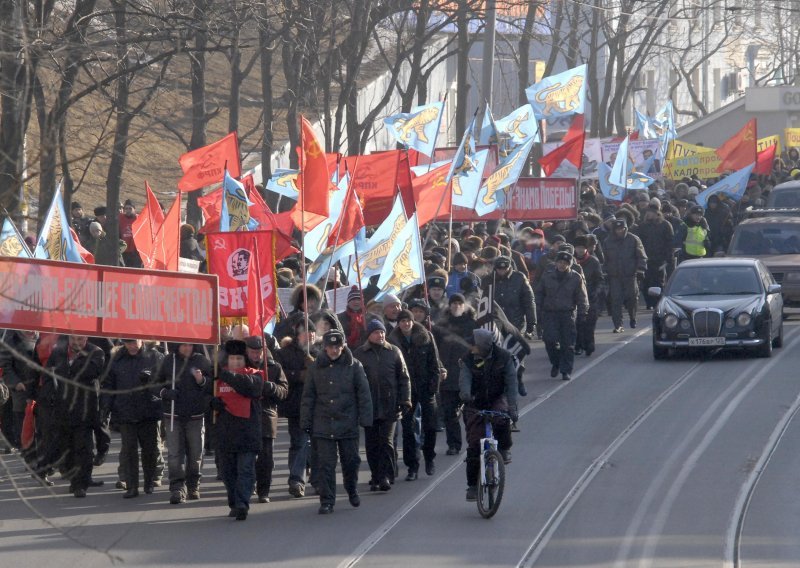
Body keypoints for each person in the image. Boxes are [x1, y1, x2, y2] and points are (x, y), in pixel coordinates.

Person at [301, 329, 373, 514]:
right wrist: (306, 421)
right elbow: (308, 396)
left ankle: (351, 489)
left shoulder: (354, 366)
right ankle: (327, 500)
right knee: (325, 465)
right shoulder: (315, 367)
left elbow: (363, 394)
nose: (334, 350)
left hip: (347, 421)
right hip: (323, 422)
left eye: (337, 346)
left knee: (351, 461)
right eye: (330, 347)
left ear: (343, 347)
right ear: (324, 348)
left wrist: (366, 418)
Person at [38, 335, 105, 497]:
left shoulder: (96, 352)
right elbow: (48, 375)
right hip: (63, 407)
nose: (76, 343)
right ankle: (72, 479)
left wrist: (73, 362)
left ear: (86, 339)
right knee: (67, 446)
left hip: (85, 408)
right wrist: (49, 396)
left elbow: (90, 372)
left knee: (82, 447)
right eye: (73, 340)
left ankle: (80, 484)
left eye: (80, 340)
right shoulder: (58, 352)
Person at [353, 319, 411, 491]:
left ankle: (386, 475)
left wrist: (405, 399)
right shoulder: (359, 354)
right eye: (376, 332)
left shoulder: (394, 352)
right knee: (371, 443)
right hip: (369, 405)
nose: (380, 335)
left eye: (382, 332)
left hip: (390, 404)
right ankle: (375, 475)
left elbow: (404, 378)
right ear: (369, 334)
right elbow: (353, 381)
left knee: (386, 441)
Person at [459, 329, 516, 502]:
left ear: (483, 345)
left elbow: (511, 383)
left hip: (497, 397)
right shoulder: (468, 359)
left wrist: (513, 408)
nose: (471, 347)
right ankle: (473, 486)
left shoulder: (504, 357)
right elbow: (465, 378)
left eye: (474, 344)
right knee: (475, 444)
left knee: (503, 418)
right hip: (475, 401)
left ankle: (504, 449)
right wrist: (466, 395)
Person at [104, 339, 165, 498]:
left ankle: (149, 482)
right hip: (126, 411)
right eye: (128, 342)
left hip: (148, 411)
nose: (132, 346)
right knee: (129, 451)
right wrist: (106, 410)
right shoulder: (117, 359)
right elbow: (109, 385)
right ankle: (132, 486)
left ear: (141, 340)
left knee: (149, 450)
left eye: (134, 342)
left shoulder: (154, 356)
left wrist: (150, 382)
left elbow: (165, 382)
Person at [212, 340, 264, 520]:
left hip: (248, 432)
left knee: (246, 470)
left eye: (239, 359)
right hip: (225, 433)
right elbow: (203, 397)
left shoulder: (255, 375)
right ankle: (234, 501)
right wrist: (210, 403)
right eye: (232, 358)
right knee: (228, 473)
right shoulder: (215, 379)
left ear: (245, 360)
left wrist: (225, 375)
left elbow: (249, 387)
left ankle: (242, 503)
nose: (235, 362)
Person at [388, 309, 441, 480]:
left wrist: (434, 385)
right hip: (406, 391)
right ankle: (412, 466)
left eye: (408, 320)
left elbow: (434, 363)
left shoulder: (426, 337)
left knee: (430, 426)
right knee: (409, 431)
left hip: (426, 388)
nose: (406, 324)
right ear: (398, 323)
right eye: (402, 321)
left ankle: (430, 458)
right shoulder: (393, 342)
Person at [158, 342, 213, 504]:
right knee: (175, 454)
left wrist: (202, 380)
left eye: (189, 345)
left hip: (195, 414)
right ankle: (177, 487)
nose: (187, 348)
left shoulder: (202, 360)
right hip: (173, 415)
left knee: (196, 453)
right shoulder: (168, 361)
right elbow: (154, 382)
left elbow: (212, 384)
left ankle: (193, 485)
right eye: (183, 346)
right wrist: (165, 392)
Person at [245, 335, 288, 504]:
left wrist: (273, 388)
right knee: (247, 458)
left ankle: (264, 490)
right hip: (245, 417)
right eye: (253, 352)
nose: (256, 356)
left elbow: (284, 391)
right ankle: (248, 486)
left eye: (259, 352)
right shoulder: (241, 367)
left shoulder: (274, 367)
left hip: (266, 417)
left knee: (265, 459)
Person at [535, 251, 589, 381]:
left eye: (565, 263)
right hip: (550, 313)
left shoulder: (575, 277)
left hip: (567, 314)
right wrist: (538, 309)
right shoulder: (547, 276)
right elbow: (539, 293)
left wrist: (582, 313)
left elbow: (582, 297)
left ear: (569, 264)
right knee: (549, 340)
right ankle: (556, 362)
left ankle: (566, 370)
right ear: (556, 262)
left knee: (568, 344)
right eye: (560, 262)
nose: (562, 265)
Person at [436, 293, 476, 455]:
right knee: (449, 413)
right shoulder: (441, 327)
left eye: (459, 303)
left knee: (470, 414)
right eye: (453, 303)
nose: (456, 306)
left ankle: (473, 441)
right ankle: (453, 444)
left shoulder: (473, 324)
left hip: (469, 375)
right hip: (448, 375)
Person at [603, 219, 647, 333]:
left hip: (630, 274)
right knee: (615, 300)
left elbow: (641, 256)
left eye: (622, 228)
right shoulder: (608, 241)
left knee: (632, 298)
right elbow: (605, 259)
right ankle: (618, 324)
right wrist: (606, 271)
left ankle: (633, 317)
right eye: (617, 229)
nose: (620, 231)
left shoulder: (633, 239)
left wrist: (641, 269)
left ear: (626, 228)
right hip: (615, 276)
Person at [0, 330, 38, 449]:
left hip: (39, 389)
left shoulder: (41, 336)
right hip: (20, 391)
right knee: (21, 425)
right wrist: (16, 383)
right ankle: (25, 453)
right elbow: (5, 366)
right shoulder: (10, 338)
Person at [484, 256, 537, 339]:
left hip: (515, 323)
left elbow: (529, 301)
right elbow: (482, 301)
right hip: (495, 323)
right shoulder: (487, 279)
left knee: (513, 350)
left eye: (505, 268)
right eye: (499, 268)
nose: (502, 271)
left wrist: (532, 323)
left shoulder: (519, 278)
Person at [634, 205, 674, 310]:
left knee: (659, 282)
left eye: (652, 212)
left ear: (657, 213)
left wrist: (668, 259)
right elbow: (638, 244)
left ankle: (658, 303)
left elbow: (669, 243)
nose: (649, 214)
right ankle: (649, 303)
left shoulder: (665, 225)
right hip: (647, 259)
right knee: (646, 282)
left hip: (660, 260)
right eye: (648, 212)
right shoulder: (642, 226)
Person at [573, 237, 603, 356]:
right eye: (578, 247)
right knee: (578, 323)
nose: (580, 250)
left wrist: (596, 291)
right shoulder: (571, 262)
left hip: (591, 297)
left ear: (586, 249)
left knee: (589, 324)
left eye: (582, 248)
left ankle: (589, 344)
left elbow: (600, 280)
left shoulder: (593, 261)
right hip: (575, 298)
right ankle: (578, 345)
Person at [119, 199, 142, 268]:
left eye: (130, 208)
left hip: (136, 252)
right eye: (126, 208)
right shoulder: (120, 218)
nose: (128, 210)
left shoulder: (139, 218)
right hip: (124, 251)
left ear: (134, 209)